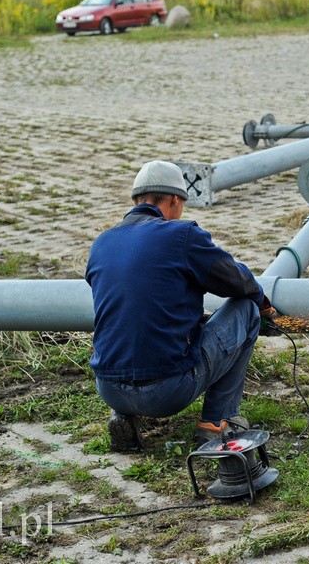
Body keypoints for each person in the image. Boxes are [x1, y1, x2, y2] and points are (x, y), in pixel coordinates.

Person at [86, 160, 277, 452]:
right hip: (166, 393)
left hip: (109, 388)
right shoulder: (181, 235)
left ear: (136, 200)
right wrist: (263, 303)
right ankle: (217, 421)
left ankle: (123, 415)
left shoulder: (101, 244)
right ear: (175, 199)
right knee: (245, 310)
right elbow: (236, 281)